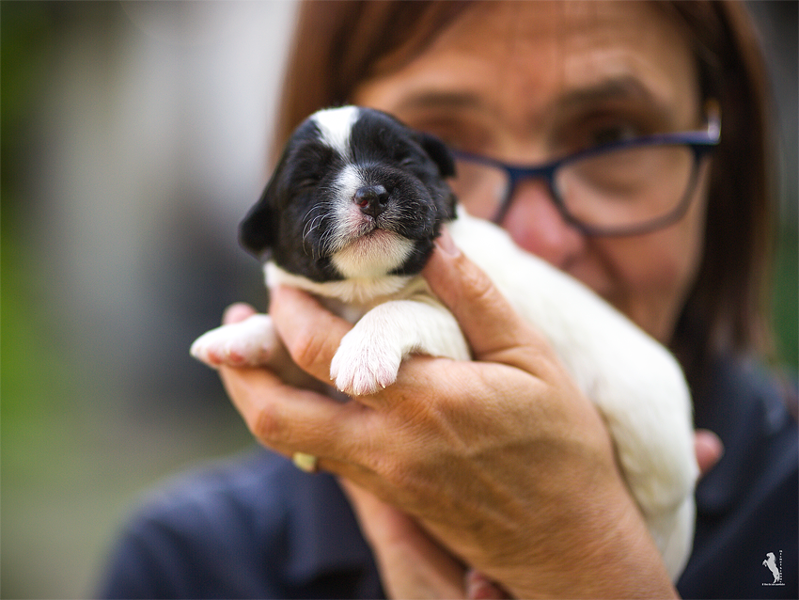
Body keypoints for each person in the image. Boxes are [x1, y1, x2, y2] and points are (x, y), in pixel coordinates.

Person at [97, 0, 799, 598]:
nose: (532, 238)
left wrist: (588, 565)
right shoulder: (187, 568)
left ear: (725, 155)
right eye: (455, 136)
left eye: (609, 134)